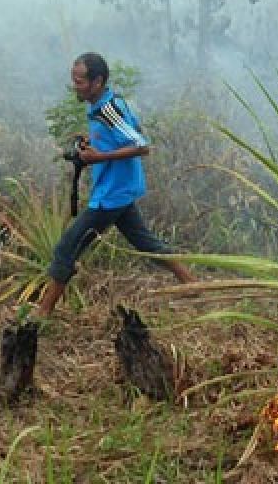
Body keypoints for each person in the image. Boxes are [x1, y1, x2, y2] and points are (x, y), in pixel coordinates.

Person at [33, 52, 195, 320]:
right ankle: (191, 283)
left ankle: (42, 313)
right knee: (145, 242)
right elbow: (130, 129)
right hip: (119, 190)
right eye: (74, 80)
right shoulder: (99, 104)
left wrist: (99, 157)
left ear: (98, 82)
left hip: (112, 195)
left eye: (81, 81)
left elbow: (142, 145)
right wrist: (93, 141)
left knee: (66, 247)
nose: (76, 86)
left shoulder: (109, 110)